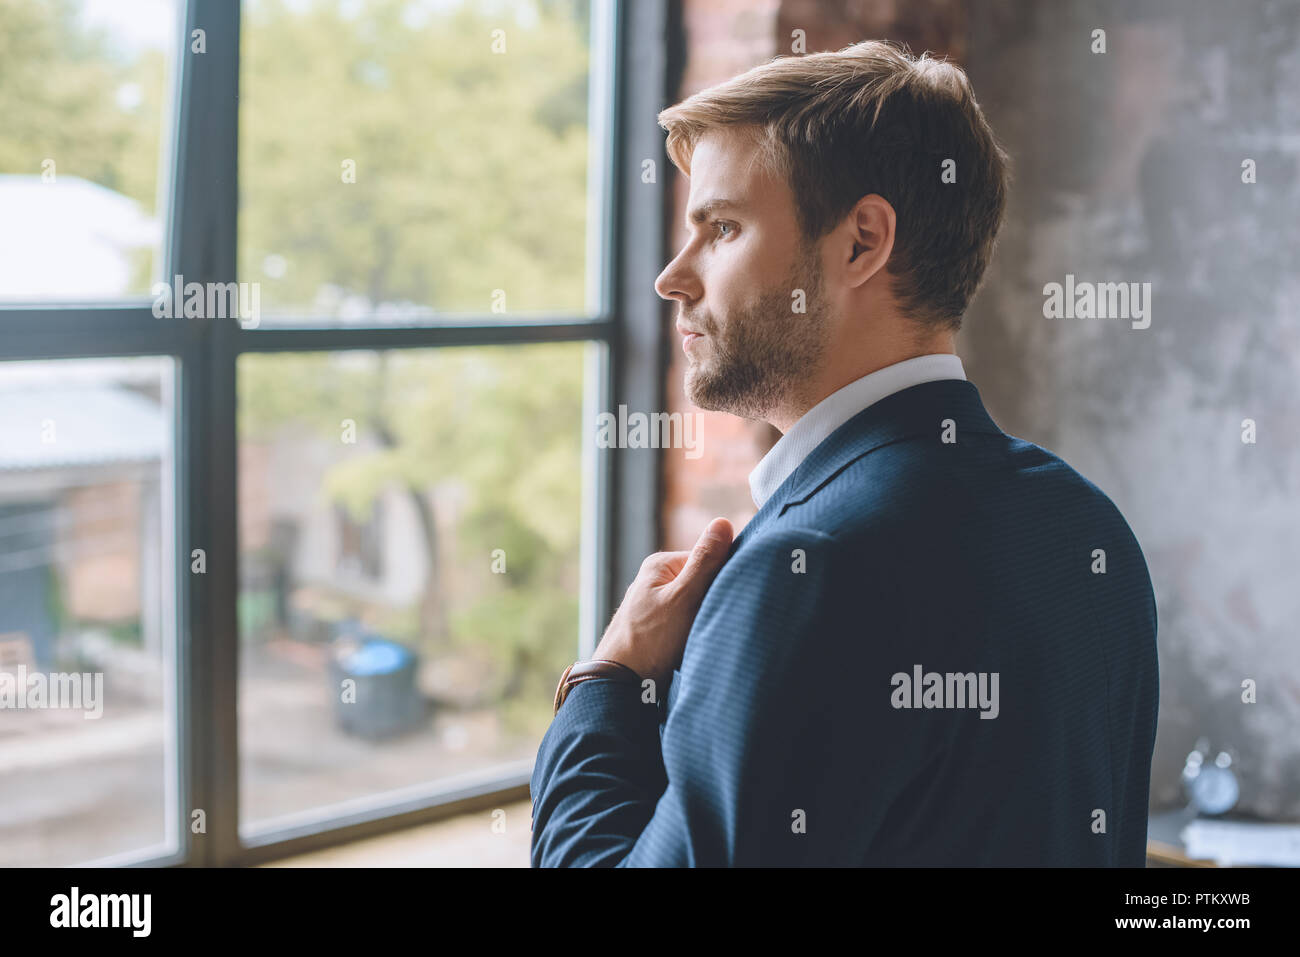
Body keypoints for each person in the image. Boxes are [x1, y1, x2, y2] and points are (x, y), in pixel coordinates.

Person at [530, 40, 1158, 866]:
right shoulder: (1089, 528)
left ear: (862, 241)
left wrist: (608, 682)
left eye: (721, 227)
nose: (672, 277)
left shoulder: (802, 570)